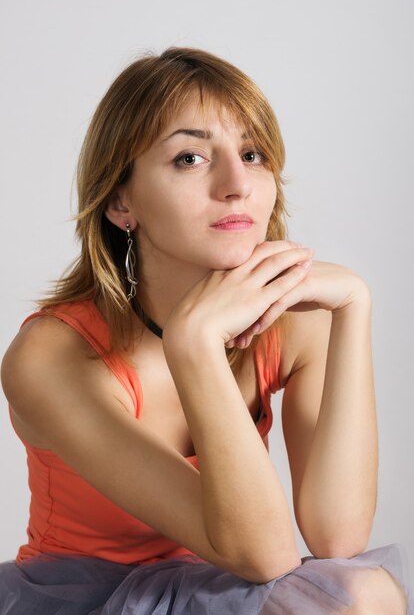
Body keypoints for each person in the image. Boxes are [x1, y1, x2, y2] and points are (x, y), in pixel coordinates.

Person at [0, 46, 411, 614]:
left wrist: (355, 309)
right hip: (82, 597)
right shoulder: (52, 355)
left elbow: (337, 538)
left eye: (253, 153)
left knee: (363, 594)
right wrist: (194, 344)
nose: (236, 184)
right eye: (190, 158)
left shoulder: (293, 324)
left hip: (219, 589)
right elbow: (264, 555)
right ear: (121, 201)